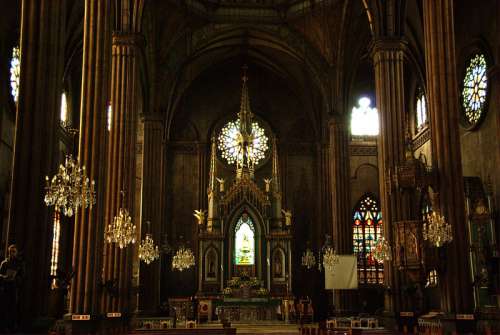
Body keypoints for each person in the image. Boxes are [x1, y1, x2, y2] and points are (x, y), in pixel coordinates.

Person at [0, 244, 24, 332]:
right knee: (5, 307)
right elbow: (0, 274)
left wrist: (17, 278)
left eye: (13, 252)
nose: (12, 253)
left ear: (16, 253)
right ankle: (4, 327)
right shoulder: (4, 263)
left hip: (14, 288)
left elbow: (22, 276)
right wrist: (4, 277)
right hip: (5, 288)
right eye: (10, 252)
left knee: (13, 308)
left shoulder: (19, 264)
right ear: (8, 252)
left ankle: (12, 327)